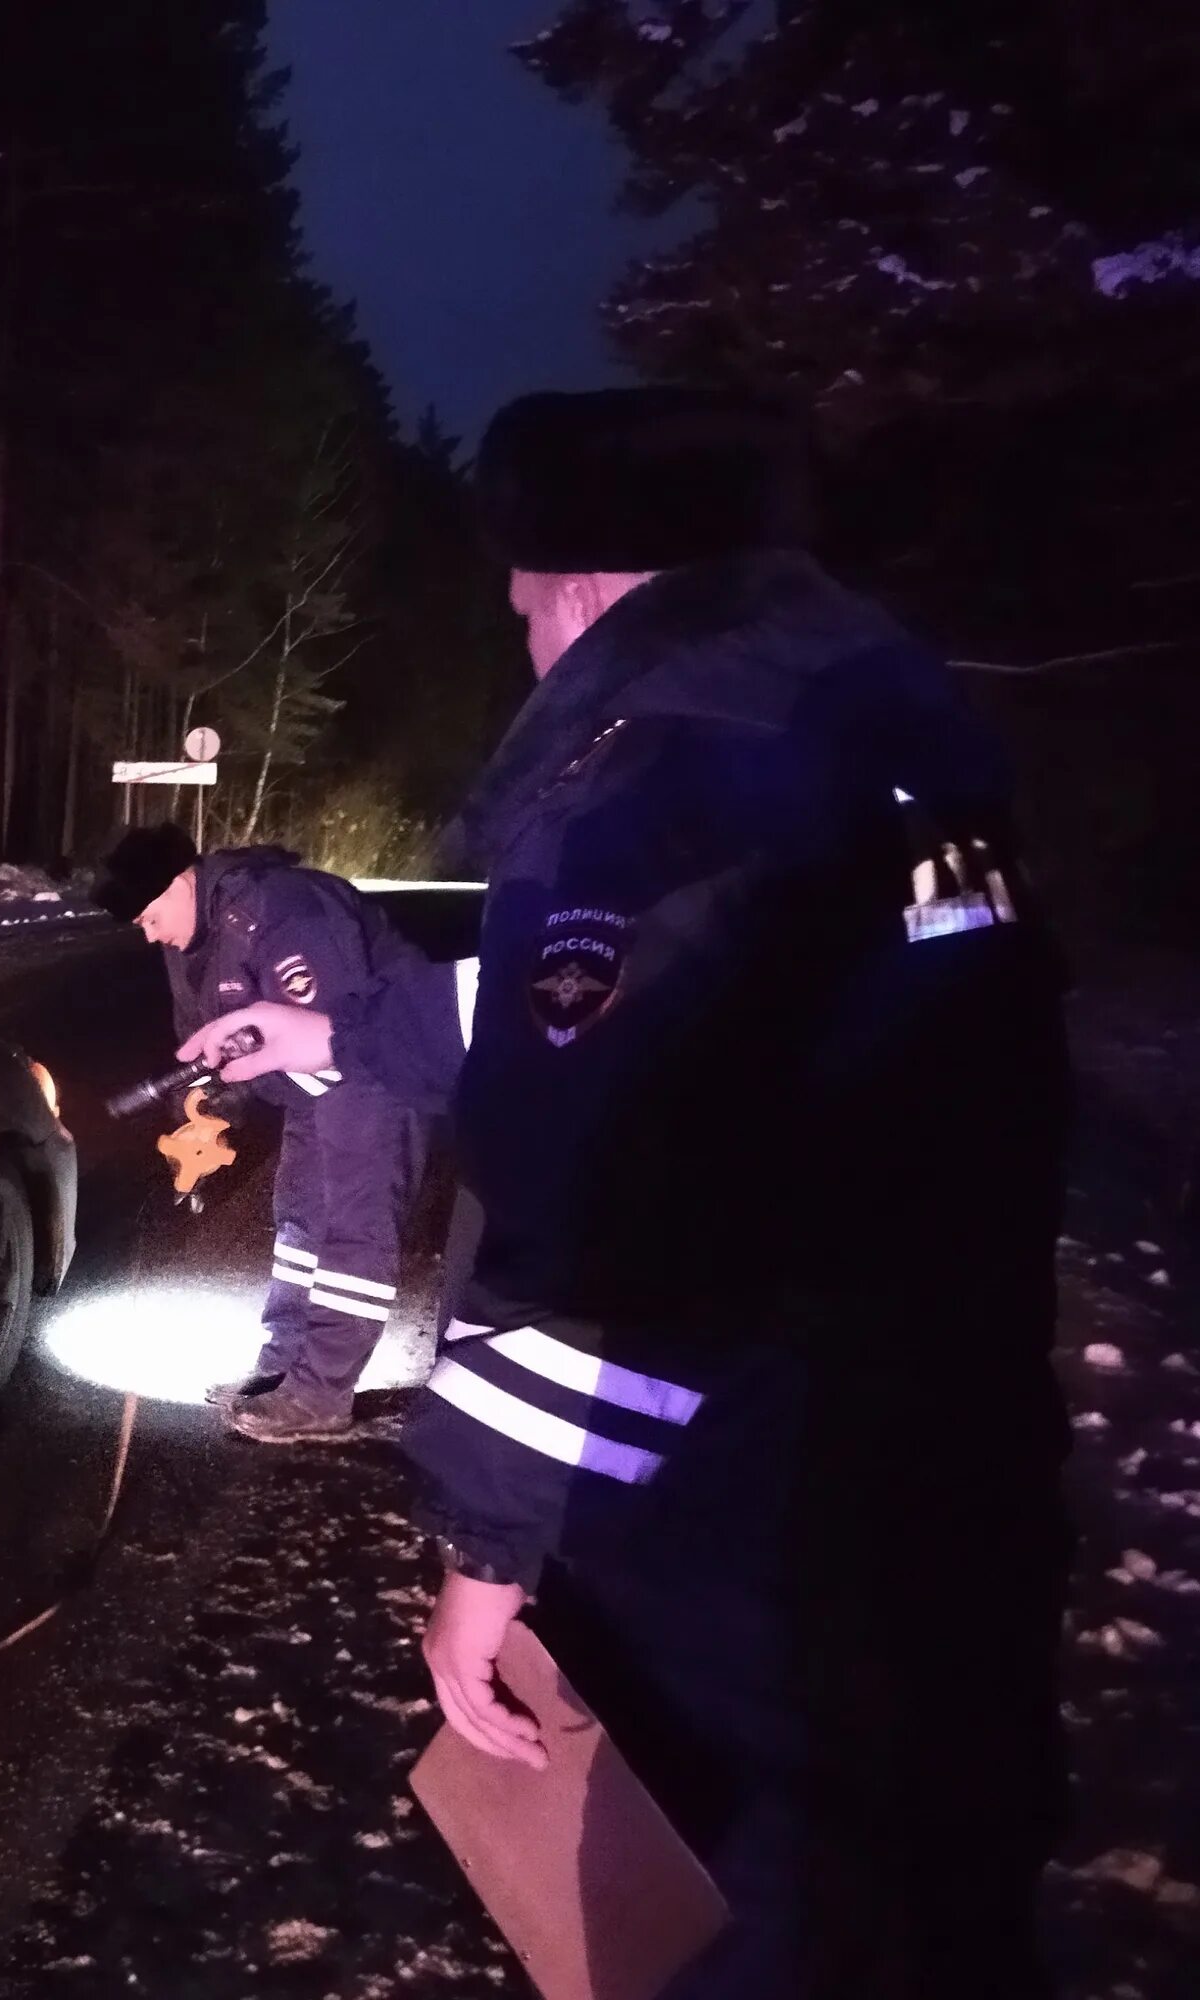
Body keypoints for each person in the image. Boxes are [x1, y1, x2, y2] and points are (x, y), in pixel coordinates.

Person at [189, 387, 1069, 1997]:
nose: (526, 641)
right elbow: (642, 1031)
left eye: (523, 607)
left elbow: (604, 1200)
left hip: (746, 1525)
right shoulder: (874, 722)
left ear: (588, 581)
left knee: (749, 1931)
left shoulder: (661, 768)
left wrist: (491, 1547)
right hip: (945, 1480)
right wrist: (342, 1024)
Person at [95, 828, 433, 1441]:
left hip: (371, 1072)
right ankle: (282, 1369)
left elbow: (335, 1022)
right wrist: (204, 1108)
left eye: (148, 916)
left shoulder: (282, 910)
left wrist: (246, 1071)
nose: (147, 933)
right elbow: (213, 1044)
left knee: (352, 1228)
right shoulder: (192, 941)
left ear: (180, 882)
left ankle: (322, 1393)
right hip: (309, 1087)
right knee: (299, 1220)